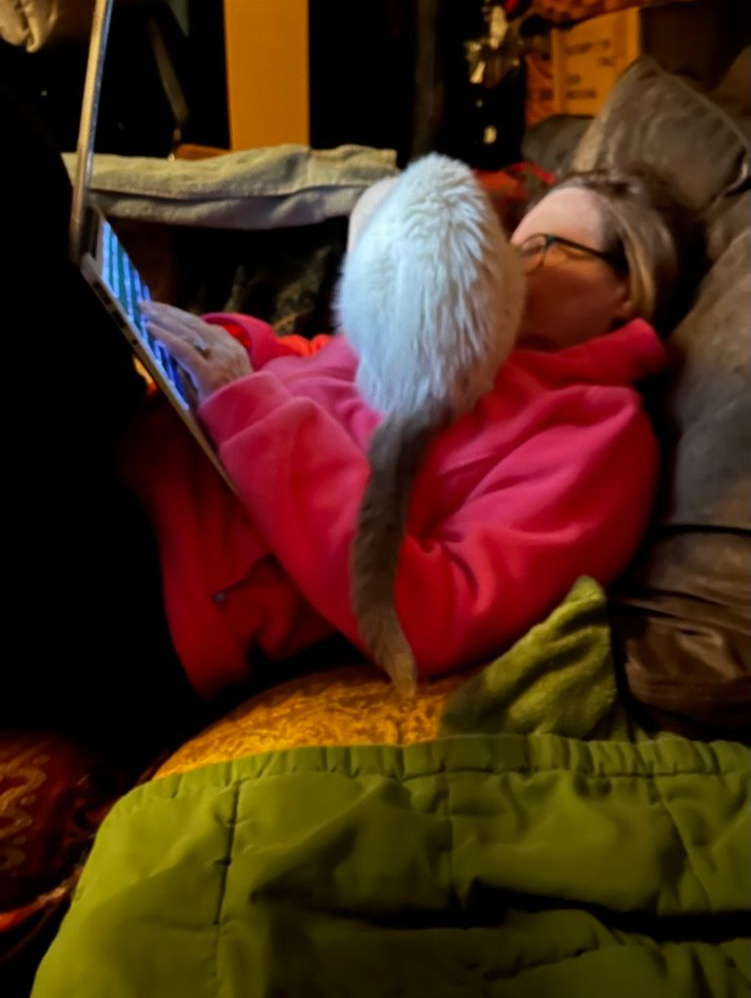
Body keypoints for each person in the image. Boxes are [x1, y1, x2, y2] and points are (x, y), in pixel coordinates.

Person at [2, 82, 689, 753]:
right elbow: (313, 360)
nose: (509, 262)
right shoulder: (458, 334)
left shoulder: (599, 435)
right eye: (514, 241)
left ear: (626, 291)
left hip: (150, 591)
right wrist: (231, 344)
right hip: (137, 448)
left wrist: (250, 409)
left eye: (545, 250)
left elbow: (437, 616)